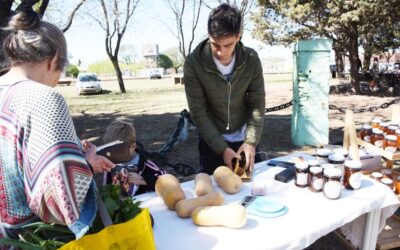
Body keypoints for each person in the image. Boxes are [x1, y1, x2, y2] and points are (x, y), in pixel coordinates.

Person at [0, 9, 114, 239]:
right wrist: (87, 165)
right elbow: (59, 199)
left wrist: (70, 150)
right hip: (31, 239)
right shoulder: (43, 98)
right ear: (54, 60)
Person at [184, 4, 265, 175]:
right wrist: (222, 149)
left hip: (245, 137)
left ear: (238, 36)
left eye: (228, 45)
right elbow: (198, 111)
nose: (221, 53)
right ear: (209, 36)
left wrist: (251, 141)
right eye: (215, 45)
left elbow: (257, 103)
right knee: (217, 191)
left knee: (249, 188)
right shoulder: (193, 63)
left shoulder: (251, 59)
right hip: (212, 140)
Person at [103, 120, 166, 196]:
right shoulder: (110, 165)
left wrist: (143, 179)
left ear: (133, 147)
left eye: (119, 151)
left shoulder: (145, 163)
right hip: (122, 206)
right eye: (111, 151)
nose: (115, 155)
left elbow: (165, 180)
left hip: (146, 205)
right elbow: (106, 189)